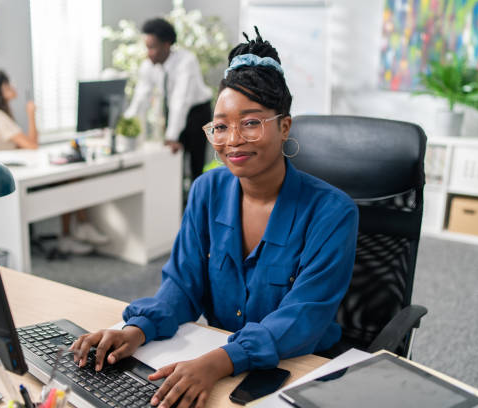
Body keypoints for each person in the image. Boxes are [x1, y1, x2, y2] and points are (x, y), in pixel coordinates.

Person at [70, 29, 359, 408]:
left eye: (251, 122)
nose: (232, 139)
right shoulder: (207, 190)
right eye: (220, 126)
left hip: (296, 369)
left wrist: (217, 363)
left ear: (284, 126)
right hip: (217, 357)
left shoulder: (333, 212)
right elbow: (182, 285)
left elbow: (303, 316)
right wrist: (137, 329)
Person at [0, 69, 109, 255]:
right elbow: (32, 145)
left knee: (71, 178)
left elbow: (24, 146)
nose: (14, 87)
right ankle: (76, 230)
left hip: (8, 173)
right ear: (0, 89)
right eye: (9, 84)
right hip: (3, 180)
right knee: (69, 179)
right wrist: (31, 114)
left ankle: (73, 232)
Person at [124, 18, 212, 182]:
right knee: (173, 160)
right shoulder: (149, 65)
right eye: (146, 47)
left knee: (195, 165)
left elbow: (181, 100)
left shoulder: (186, 61)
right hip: (174, 111)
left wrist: (171, 135)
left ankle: (197, 203)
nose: (148, 53)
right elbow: (141, 97)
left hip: (197, 112)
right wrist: (126, 123)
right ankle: (177, 204)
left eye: (152, 47)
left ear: (166, 45)